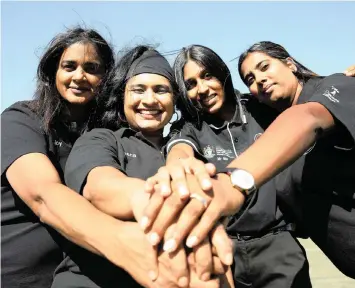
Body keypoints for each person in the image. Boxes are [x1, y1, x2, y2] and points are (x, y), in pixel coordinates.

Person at [60, 45, 233, 288]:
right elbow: (99, 187)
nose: (149, 100)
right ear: (122, 97)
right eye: (138, 90)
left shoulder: (188, 150)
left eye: (161, 90)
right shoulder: (101, 139)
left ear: (175, 99)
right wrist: (162, 203)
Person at [142, 45, 312, 288]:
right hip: (224, 249)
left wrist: (338, 83)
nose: (202, 89)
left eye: (207, 76)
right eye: (190, 84)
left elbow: (306, 104)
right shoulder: (190, 127)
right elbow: (180, 151)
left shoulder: (259, 108)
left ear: (222, 73)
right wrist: (178, 169)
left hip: (278, 244)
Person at [1, 26, 116, 287]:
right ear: (54, 71)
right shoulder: (21, 120)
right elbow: (43, 195)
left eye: (92, 68)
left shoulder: (104, 136)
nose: (80, 76)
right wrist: (125, 244)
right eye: (69, 66)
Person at [236, 41, 355, 278]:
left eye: (264, 67)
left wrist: (234, 180)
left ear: (289, 64)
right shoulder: (270, 131)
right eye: (250, 79)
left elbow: (309, 117)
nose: (259, 79)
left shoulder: (336, 85)